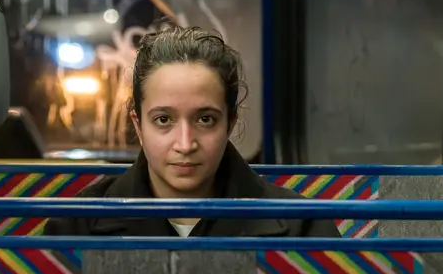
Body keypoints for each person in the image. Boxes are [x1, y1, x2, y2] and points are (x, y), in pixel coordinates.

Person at [44, 26, 339, 237]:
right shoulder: (76, 226)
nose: (185, 144)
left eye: (205, 120)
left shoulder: (303, 227)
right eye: (163, 120)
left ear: (231, 123)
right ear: (138, 124)